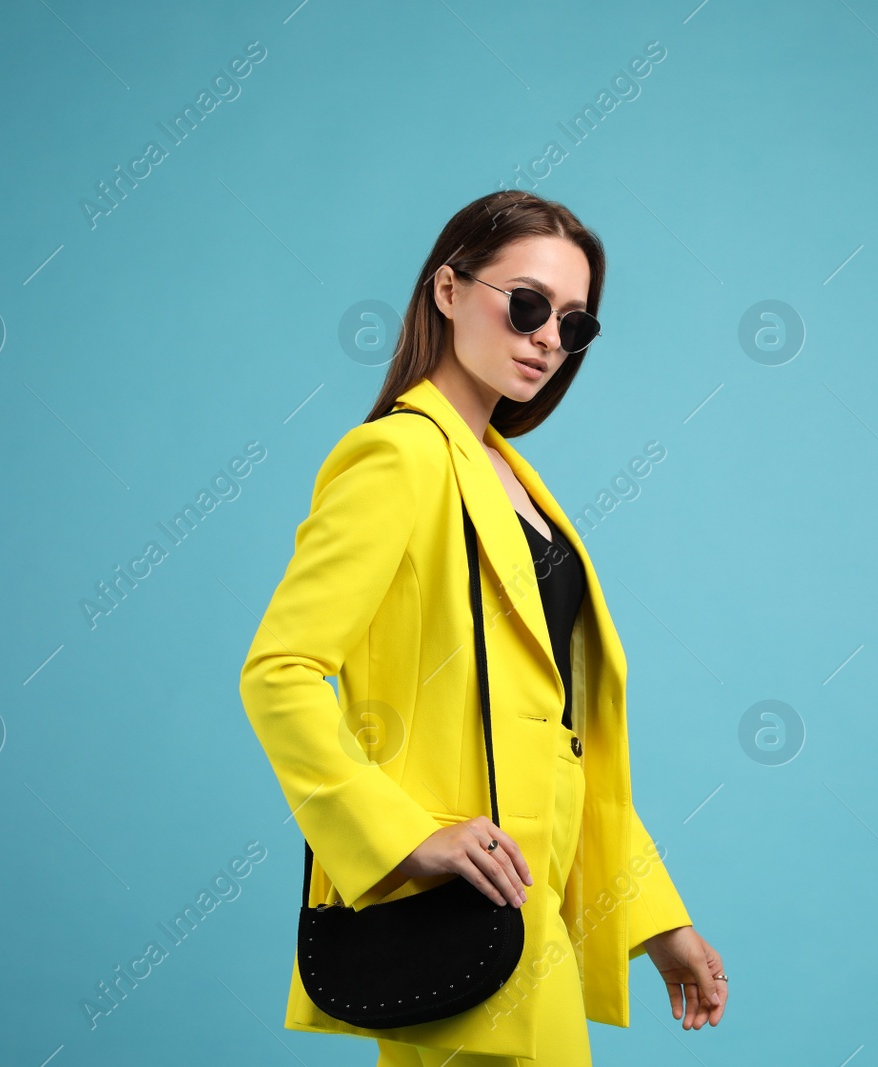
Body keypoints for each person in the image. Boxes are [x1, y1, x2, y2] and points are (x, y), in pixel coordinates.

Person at [239, 190, 727, 1065]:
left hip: (530, 928)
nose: (548, 337)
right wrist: (403, 837)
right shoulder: (396, 456)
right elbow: (279, 671)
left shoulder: (510, 478)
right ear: (449, 291)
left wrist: (656, 919)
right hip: (451, 928)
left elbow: (559, 744)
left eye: (573, 324)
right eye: (529, 303)